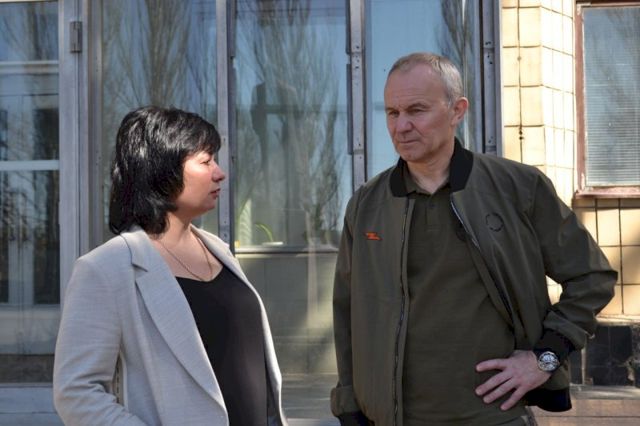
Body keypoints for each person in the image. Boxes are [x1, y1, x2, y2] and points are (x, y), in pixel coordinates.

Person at [331, 52, 616, 426]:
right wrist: (349, 405)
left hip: (493, 418)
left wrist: (544, 358)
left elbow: (592, 278)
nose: (401, 126)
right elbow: (347, 313)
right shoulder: (367, 204)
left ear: (457, 110)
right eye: (392, 113)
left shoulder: (518, 188)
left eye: (416, 110)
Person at [53, 106, 287, 426]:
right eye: (205, 161)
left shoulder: (218, 250)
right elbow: (76, 393)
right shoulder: (106, 268)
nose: (219, 173)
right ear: (162, 169)